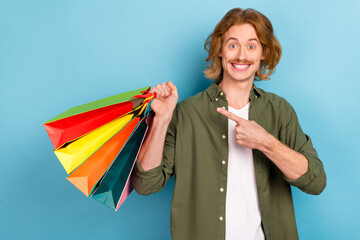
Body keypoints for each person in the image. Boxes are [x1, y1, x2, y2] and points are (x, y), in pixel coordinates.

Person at [132, 8, 326, 240]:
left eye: (252, 46)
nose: (242, 56)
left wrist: (266, 143)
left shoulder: (279, 110)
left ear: (263, 53)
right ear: (220, 51)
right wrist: (161, 120)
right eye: (233, 45)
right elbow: (146, 185)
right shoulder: (187, 113)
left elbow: (315, 182)